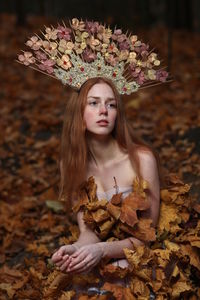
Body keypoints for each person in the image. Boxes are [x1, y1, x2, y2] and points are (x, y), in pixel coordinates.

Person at [51, 76, 160, 275]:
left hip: (140, 260)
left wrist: (102, 250)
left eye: (111, 105)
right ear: (79, 112)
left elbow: (147, 238)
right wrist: (76, 249)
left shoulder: (142, 160)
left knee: (119, 271)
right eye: (93, 103)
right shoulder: (70, 166)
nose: (104, 111)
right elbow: (88, 231)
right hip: (102, 256)